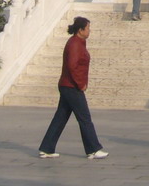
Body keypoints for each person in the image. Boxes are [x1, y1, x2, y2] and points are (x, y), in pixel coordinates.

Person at [38, 17, 107, 159]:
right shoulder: (75, 43)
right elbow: (72, 66)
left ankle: (47, 148)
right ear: (80, 30)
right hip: (71, 86)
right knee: (84, 118)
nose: (89, 31)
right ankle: (93, 149)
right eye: (88, 28)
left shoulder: (78, 42)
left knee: (60, 117)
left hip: (67, 85)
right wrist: (80, 83)